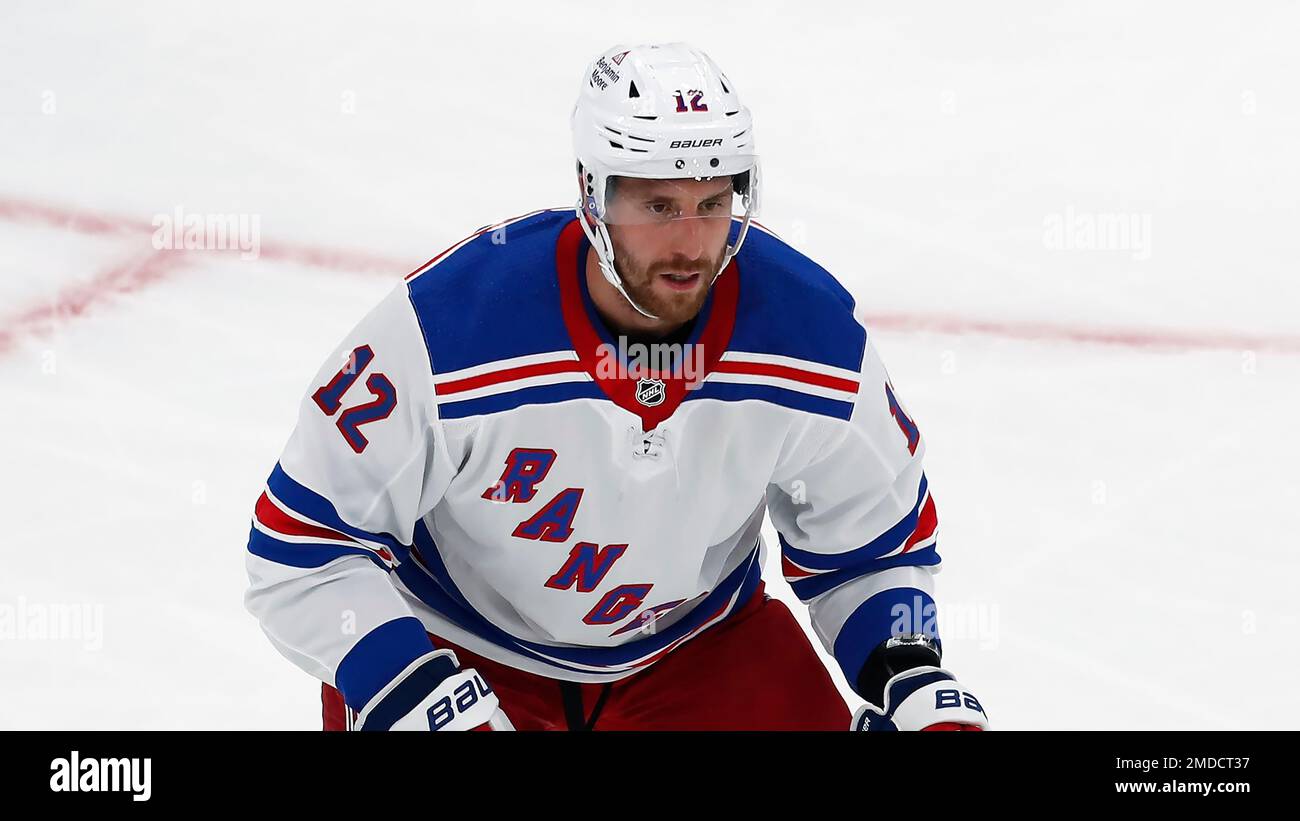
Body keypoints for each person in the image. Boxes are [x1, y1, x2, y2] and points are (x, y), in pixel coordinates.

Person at [244, 42, 988, 731]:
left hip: (699, 651)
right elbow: (303, 544)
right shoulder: (447, 330)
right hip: (459, 650)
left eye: (712, 202)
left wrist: (909, 670)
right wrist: (404, 685)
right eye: (657, 206)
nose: (690, 243)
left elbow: (871, 546)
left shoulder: (811, 336)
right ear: (591, 194)